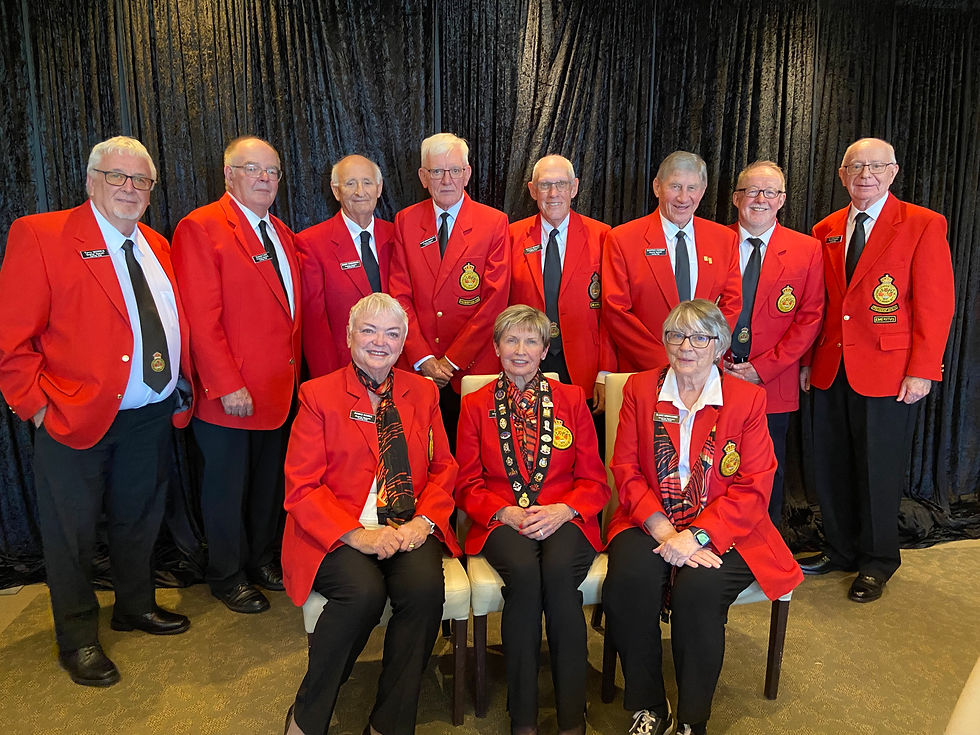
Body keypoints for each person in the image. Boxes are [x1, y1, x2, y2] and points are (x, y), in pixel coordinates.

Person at [0, 136, 192, 687]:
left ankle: (134, 607)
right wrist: (36, 409)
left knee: (139, 520)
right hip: (70, 418)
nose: (129, 189)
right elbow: (12, 340)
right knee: (72, 535)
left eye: (141, 182)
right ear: (91, 181)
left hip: (148, 416)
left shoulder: (157, 243)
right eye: (117, 177)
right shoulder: (41, 235)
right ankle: (78, 636)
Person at [602, 299, 802, 735]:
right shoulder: (639, 389)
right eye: (676, 335)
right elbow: (626, 470)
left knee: (698, 592)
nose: (685, 346)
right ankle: (650, 705)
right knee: (630, 581)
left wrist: (695, 537)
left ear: (719, 347)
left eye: (699, 337)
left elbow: (755, 485)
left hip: (726, 525)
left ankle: (694, 719)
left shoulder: (747, 398)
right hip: (649, 516)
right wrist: (662, 528)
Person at [281, 293, 460, 735]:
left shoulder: (422, 392)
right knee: (361, 593)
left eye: (392, 333)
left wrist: (425, 521)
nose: (380, 342)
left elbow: (445, 468)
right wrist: (357, 536)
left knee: (423, 591)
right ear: (349, 336)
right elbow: (302, 487)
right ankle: (308, 715)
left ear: (403, 344)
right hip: (340, 532)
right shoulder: (318, 394)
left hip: (407, 525)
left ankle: (390, 723)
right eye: (369, 330)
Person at [798, 137, 955, 603]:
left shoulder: (922, 224)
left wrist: (923, 368)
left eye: (875, 166)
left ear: (893, 171)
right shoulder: (824, 228)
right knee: (831, 465)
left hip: (889, 369)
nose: (865, 174)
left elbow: (935, 302)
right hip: (830, 367)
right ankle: (842, 549)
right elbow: (819, 304)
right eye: (855, 167)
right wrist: (808, 361)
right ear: (843, 175)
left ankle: (878, 560)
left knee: (877, 468)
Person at [455, 305, 610, 735]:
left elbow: (595, 479)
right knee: (523, 577)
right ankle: (522, 718)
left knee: (560, 579)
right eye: (511, 340)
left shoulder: (573, 399)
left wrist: (564, 509)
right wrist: (503, 511)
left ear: (545, 350)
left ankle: (570, 717)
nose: (520, 350)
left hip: (566, 517)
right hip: (503, 520)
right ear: (496, 347)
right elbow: (466, 484)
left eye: (531, 341)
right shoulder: (473, 405)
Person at [172, 135, 302, 613]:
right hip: (232, 394)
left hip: (278, 391)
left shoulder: (281, 232)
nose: (265, 178)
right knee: (226, 490)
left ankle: (260, 559)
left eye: (272, 171)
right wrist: (227, 384)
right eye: (253, 169)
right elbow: (200, 318)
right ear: (229, 175)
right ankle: (227, 575)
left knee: (268, 485)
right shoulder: (201, 227)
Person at [388, 132, 510, 450]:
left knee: (474, 460)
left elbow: (495, 300)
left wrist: (452, 361)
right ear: (423, 177)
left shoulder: (493, 222)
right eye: (437, 171)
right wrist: (424, 358)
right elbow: (399, 296)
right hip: (420, 368)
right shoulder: (406, 221)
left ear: (467, 173)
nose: (447, 179)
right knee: (421, 459)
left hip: (472, 368)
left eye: (454, 170)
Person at [723, 161, 824, 523]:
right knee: (714, 465)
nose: (760, 199)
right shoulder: (712, 241)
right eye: (751, 191)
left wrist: (761, 368)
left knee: (768, 469)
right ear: (736, 198)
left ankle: (764, 551)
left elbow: (809, 318)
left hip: (772, 381)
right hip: (713, 375)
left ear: (782, 199)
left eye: (770, 192)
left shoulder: (807, 250)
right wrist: (718, 364)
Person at [602, 151, 741, 372]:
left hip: (705, 371)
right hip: (645, 371)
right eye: (675, 186)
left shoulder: (725, 239)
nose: (683, 198)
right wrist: (666, 362)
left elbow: (732, 304)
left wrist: (705, 355)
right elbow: (616, 312)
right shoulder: (622, 239)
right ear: (657, 187)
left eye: (692, 188)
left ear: (703, 191)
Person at [509, 154, 615, 415]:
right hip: (526, 363)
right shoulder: (510, 236)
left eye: (561, 184)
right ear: (533, 191)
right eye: (545, 185)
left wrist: (605, 373)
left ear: (575, 187)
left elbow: (613, 313)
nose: (553, 193)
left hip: (584, 368)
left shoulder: (604, 236)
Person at [296, 154, 395, 377]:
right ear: (335, 190)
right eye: (350, 183)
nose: (360, 191)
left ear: (379, 188)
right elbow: (315, 326)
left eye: (367, 182)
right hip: (344, 370)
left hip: (397, 369)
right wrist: (330, 382)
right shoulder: (312, 243)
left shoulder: (397, 234)